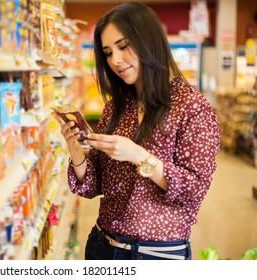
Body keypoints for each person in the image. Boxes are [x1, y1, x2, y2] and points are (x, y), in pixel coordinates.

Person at [52, 2, 220, 260]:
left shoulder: (192, 107)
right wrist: (77, 151)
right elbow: (93, 185)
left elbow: (194, 189)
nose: (115, 60)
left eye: (123, 46)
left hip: (156, 255)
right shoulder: (117, 108)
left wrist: (139, 156)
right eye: (107, 52)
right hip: (102, 246)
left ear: (148, 40)